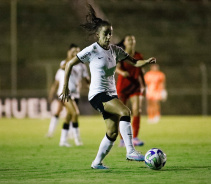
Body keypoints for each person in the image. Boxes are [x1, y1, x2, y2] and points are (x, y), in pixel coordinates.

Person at [60, 4, 156, 169]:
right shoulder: (91, 50)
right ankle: (130, 150)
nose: (109, 36)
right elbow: (69, 64)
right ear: (97, 35)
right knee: (125, 111)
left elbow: (134, 62)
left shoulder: (115, 50)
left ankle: (96, 162)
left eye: (110, 33)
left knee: (111, 133)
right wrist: (65, 88)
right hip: (97, 95)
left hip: (111, 94)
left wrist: (145, 62)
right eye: (106, 33)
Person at [47, 44, 90, 147]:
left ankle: (63, 141)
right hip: (65, 93)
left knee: (68, 116)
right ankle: (77, 139)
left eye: (78, 51)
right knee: (75, 113)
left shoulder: (82, 66)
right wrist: (70, 57)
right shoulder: (65, 62)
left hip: (76, 94)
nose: (76, 53)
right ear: (69, 52)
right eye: (74, 51)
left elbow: (86, 80)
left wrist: (91, 85)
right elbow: (63, 66)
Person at [116, 35, 145, 147]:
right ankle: (123, 139)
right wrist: (122, 73)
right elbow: (116, 67)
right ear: (124, 43)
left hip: (135, 86)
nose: (131, 41)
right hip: (123, 87)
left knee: (137, 110)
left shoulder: (138, 55)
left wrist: (144, 85)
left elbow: (141, 70)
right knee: (122, 113)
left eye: (133, 39)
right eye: (129, 39)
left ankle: (135, 137)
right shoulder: (121, 54)